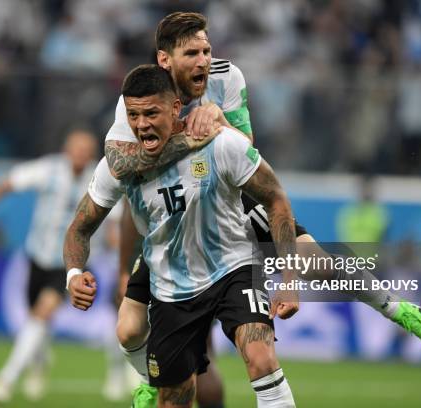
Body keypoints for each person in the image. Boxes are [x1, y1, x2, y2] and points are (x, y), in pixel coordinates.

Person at [104, 12, 421, 407]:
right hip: (178, 217)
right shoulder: (142, 98)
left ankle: (397, 309)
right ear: (165, 60)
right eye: (191, 53)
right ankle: (153, 376)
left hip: (231, 197)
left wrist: (217, 121)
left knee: (315, 261)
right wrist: (187, 136)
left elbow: (245, 147)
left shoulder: (226, 77)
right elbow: (123, 170)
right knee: (130, 330)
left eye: (206, 50)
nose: (203, 60)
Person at [65, 64, 299, 408]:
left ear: (175, 108)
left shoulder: (220, 143)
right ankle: (152, 381)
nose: (141, 124)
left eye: (151, 113)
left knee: (260, 356)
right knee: (175, 398)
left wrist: (289, 280)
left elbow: (276, 199)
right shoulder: (121, 167)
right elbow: (79, 228)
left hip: (232, 267)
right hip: (171, 289)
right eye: (133, 114)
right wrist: (73, 273)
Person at [0, 128, 97, 403]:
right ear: (66, 150)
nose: (81, 155)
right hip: (37, 257)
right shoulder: (49, 170)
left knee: (42, 313)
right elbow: (4, 184)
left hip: (69, 263)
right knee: (35, 321)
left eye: (86, 150)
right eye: (76, 148)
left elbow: (116, 213)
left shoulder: (98, 179)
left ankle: (5, 379)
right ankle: (39, 362)